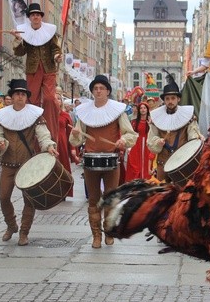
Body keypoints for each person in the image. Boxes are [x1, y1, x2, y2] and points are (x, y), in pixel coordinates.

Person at [70, 75, 136, 248]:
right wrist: (75, 135)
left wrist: (123, 141)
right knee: (93, 199)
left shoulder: (117, 111)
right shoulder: (84, 112)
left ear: (107, 91)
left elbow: (130, 134)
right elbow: (75, 140)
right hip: (91, 161)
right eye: (95, 88)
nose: (98, 91)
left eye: (101, 88)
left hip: (112, 160)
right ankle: (96, 236)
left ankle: (109, 232)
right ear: (92, 92)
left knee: (110, 197)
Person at [0, 79, 59, 246]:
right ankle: (11, 225)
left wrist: (49, 146)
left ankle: (24, 232)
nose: (20, 97)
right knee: (3, 197)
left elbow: (43, 135)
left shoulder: (35, 114)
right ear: (12, 96)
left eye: (23, 94)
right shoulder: (2, 116)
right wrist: (0, 144)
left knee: (29, 200)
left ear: (26, 97)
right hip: (8, 164)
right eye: (17, 94)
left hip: (27, 165)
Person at [12, 2, 63, 141]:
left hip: (48, 69)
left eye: (38, 15)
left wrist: (57, 56)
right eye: (33, 15)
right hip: (33, 70)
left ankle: (51, 130)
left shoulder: (49, 31)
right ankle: (32, 131)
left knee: (49, 99)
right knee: (32, 100)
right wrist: (18, 40)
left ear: (41, 17)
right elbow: (20, 53)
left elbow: (55, 48)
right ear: (29, 17)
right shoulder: (25, 32)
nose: (36, 17)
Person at [147, 79, 202, 183]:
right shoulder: (156, 117)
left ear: (178, 99)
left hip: (182, 163)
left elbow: (193, 137)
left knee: (183, 194)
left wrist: (196, 140)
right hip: (162, 163)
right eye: (167, 99)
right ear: (164, 100)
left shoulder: (188, 116)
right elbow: (151, 140)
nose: (170, 101)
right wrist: (158, 142)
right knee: (162, 194)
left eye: (173, 98)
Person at [54, 92, 77, 198]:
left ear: (61, 102)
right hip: (51, 143)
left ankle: (64, 191)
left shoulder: (65, 115)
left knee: (63, 168)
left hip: (62, 144)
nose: (56, 100)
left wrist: (72, 149)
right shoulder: (45, 114)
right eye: (54, 98)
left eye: (59, 99)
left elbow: (70, 133)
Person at [125, 102, 152, 182]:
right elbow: (131, 133)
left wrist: (151, 125)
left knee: (148, 164)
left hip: (148, 144)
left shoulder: (151, 121)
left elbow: (153, 133)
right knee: (135, 165)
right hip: (137, 145)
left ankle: (147, 182)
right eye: (141, 108)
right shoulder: (134, 122)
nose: (143, 110)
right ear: (139, 110)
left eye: (144, 108)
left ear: (147, 110)